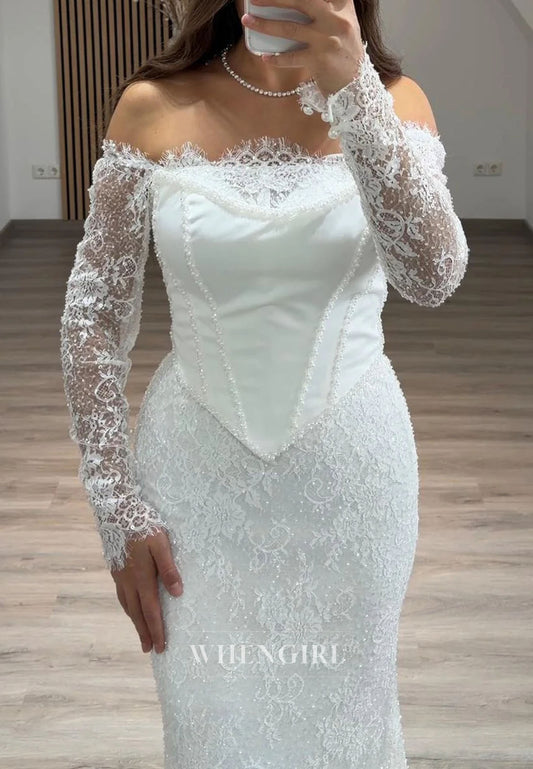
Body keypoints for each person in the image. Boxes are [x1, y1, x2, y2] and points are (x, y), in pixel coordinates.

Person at [59, 0, 469, 766]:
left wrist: (354, 93)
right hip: (194, 489)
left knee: (347, 724)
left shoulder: (394, 101)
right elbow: (93, 316)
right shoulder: (153, 105)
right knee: (211, 728)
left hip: (351, 487)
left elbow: (432, 277)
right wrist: (116, 508)